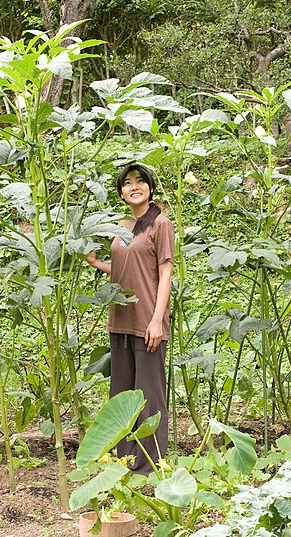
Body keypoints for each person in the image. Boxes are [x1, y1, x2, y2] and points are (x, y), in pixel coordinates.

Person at [86, 164, 175, 474]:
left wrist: (156, 320)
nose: (134, 186)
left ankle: (149, 465)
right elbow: (128, 268)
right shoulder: (122, 226)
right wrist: (99, 263)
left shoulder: (159, 224)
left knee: (149, 396)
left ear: (150, 187)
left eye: (140, 181)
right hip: (120, 319)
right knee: (122, 394)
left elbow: (164, 274)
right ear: (121, 191)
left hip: (146, 321)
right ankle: (124, 461)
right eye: (127, 183)